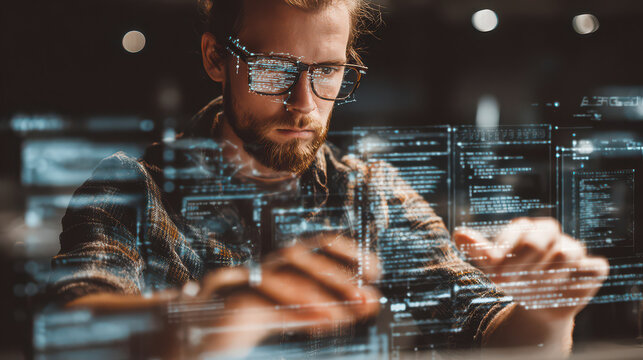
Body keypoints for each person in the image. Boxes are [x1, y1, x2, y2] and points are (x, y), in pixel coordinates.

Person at [49, 0, 609, 357]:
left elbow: (497, 337)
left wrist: (547, 311)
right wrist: (200, 321)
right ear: (215, 58)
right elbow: (71, 331)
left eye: (327, 72)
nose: (303, 104)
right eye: (274, 69)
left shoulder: (372, 197)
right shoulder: (133, 190)